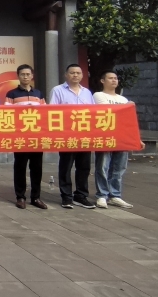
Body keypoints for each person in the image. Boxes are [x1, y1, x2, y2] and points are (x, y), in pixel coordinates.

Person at [93, 70, 144, 209]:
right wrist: (127, 107)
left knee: (119, 168)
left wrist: (137, 139)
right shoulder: (98, 95)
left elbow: (129, 121)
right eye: (110, 78)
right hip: (105, 136)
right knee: (102, 166)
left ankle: (115, 195)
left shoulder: (123, 99)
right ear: (103, 81)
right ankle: (102, 195)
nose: (114, 80)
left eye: (115, 78)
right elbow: (108, 110)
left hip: (122, 137)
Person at [50, 64, 96, 209]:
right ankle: (66, 196)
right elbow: (52, 111)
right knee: (66, 167)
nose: (75, 75)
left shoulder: (87, 92)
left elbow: (94, 113)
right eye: (72, 73)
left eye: (78, 73)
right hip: (66, 135)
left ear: (82, 75)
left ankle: (81, 196)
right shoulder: (58, 90)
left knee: (84, 167)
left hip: (84, 136)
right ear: (66, 75)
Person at [5, 64, 48, 210]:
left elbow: (45, 113)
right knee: (20, 167)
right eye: (22, 74)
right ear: (18, 76)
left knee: (37, 168)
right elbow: (7, 114)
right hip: (20, 136)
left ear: (32, 76)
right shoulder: (12, 94)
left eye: (28, 74)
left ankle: (36, 197)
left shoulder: (38, 94)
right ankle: (20, 197)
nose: (25, 77)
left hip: (36, 136)